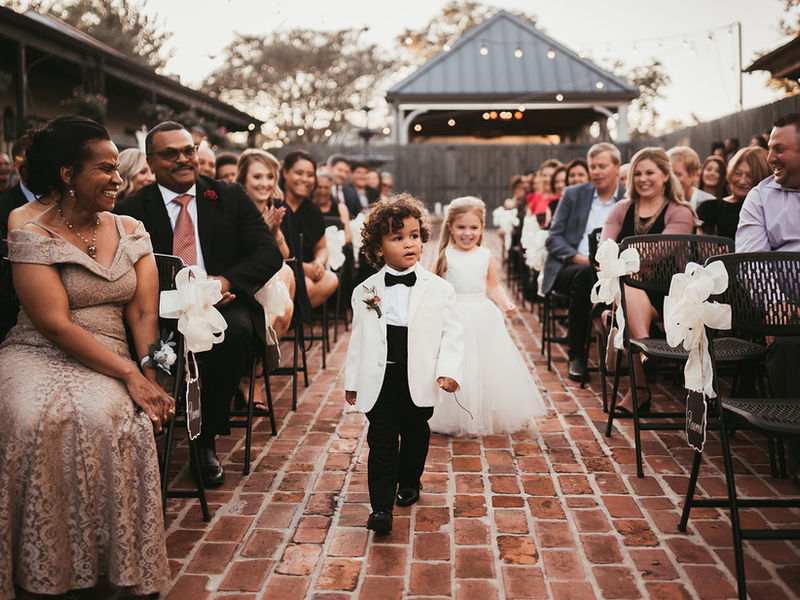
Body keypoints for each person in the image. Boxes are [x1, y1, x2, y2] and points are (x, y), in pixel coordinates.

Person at [0, 115, 172, 598]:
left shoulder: (132, 227)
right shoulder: (28, 226)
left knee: (101, 416)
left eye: (118, 168)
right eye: (105, 168)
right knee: (28, 417)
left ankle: (109, 571)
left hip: (115, 348)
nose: (118, 179)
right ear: (67, 174)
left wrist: (149, 373)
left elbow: (142, 313)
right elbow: (54, 322)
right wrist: (129, 376)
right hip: (37, 348)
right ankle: (41, 568)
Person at [115, 121, 281, 488]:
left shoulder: (229, 196)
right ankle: (146, 431)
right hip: (157, 309)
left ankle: (204, 443)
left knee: (234, 333)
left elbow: (267, 254)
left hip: (222, 303)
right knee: (136, 339)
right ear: (151, 161)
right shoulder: (129, 210)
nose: (182, 159)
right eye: (169, 154)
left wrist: (223, 281)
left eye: (188, 151)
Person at [344, 193, 463, 533]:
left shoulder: (439, 289)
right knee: (381, 440)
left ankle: (410, 480)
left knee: (415, 433)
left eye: (414, 236)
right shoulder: (365, 290)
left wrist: (448, 371)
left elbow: (452, 333)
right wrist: (352, 380)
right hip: (379, 379)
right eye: (397, 238)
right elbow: (359, 340)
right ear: (378, 248)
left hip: (420, 377)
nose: (409, 244)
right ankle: (380, 508)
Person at [429, 196, 546, 436]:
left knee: (481, 369)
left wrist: (506, 303)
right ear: (450, 226)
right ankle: (452, 416)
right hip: (454, 319)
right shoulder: (445, 256)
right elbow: (434, 289)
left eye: (473, 227)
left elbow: (493, 285)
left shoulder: (485, 256)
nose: (467, 233)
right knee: (458, 367)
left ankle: (478, 415)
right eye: (461, 227)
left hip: (482, 317)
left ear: (482, 227)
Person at [600, 147, 696, 413]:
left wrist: (624, 259)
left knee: (627, 291)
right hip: (623, 291)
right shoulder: (621, 209)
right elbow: (605, 250)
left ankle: (639, 388)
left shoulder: (679, 212)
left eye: (650, 172)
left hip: (667, 296)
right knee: (628, 288)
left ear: (665, 175)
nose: (643, 178)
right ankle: (646, 352)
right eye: (638, 173)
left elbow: (659, 250)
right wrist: (620, 262)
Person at [543, 142, 624, 381]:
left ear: (617, 167)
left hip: (612, 270)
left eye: (602, 166)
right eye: (592, 167)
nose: (596, 172)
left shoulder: (627, 199)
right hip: (570, 266)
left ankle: (624, 351)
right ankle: (577, 354)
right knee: (583, 276)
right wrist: (579, 258)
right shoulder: (573, 194)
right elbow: (553, 238)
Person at [235, 148, 295, 340]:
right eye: (257, 177)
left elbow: (286, 255)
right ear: (244, 179)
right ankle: (264, 336)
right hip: (243, 279)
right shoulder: (234, 207)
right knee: (285, 277)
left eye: (269, 177)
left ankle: (261, 353)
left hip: (269, 283)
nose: (265, 183)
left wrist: (274, 233)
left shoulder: (275, 207)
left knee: (286, 280)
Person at [277, 150, 338, 308]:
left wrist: (318, 262)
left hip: (307, 271)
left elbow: (321, 247)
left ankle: (290, 319)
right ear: (285, 173)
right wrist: (303, 268)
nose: (305, 179)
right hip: (278, 270)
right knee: (307, 285)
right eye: (299, 173)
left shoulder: (313, 210)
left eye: (310, 175)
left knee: (331, 280)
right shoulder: (274, 205)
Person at [697, 147, 769, 240]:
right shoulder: (708, 208)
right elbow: (704, 249)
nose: (742, 181)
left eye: (749, 176)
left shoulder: (768, 211)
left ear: (761, 178)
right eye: (738, 173)